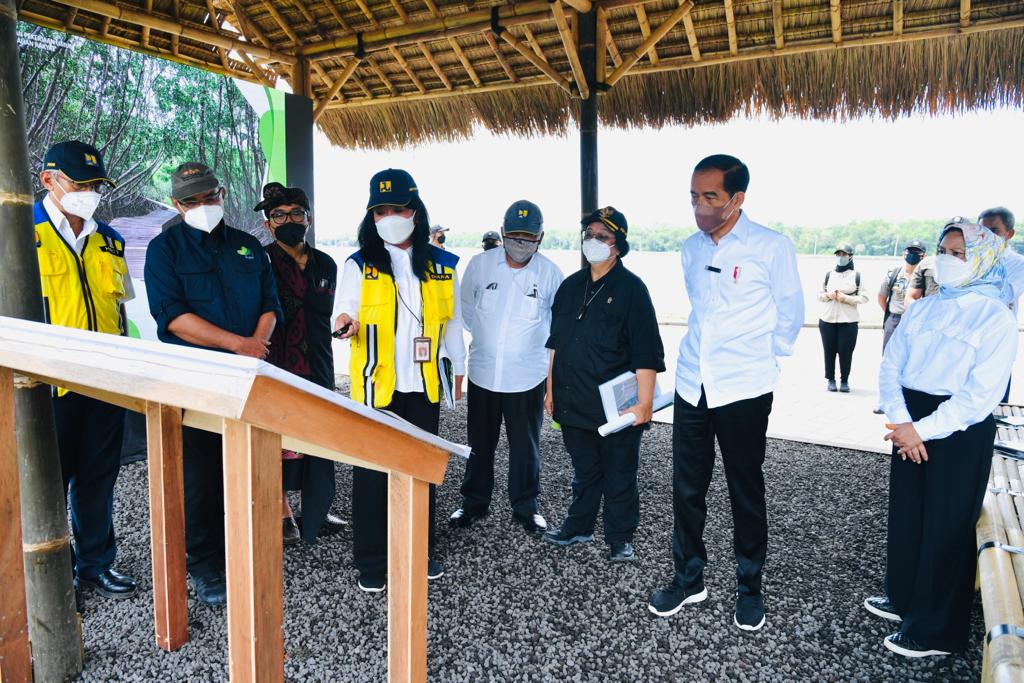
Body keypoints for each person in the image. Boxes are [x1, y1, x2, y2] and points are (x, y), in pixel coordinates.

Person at [649, 154, 804, 632]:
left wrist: (760, 359)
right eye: (694, 196)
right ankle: (688, 578)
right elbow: (702, 309)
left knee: (745, 488)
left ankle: (749, 585)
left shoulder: (771, 246)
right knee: (687, 488)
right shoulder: (689, 249)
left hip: (745, 387)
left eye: (710, 197)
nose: (699, 206)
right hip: (694, 383)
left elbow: (790, 314)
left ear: (737, 199)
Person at [866, 220, 1016, 658]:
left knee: (946, 526)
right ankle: (903, 597)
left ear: (985, 257)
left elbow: (979, 395)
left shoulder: (996, 317)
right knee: (908, 514)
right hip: (909, 418)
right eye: (945, 251)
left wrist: (918, 430)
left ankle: (934, 631)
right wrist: (900, 419)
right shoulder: (925, 306)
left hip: (958, 430)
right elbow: (891, 364)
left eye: (959, 252)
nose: (948, 260)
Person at [144, 162, 283, 605]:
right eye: (192, 201)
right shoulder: (164, 250)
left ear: (221, 193)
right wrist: (236, 344)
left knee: (248, 467)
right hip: (197, 380)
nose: (203, 206)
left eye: (209, 197)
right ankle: (205, 566)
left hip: (249, 375)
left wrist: (257, 344)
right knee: (202, 476)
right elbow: (172, 317)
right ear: (176, 204)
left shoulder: (247, 247)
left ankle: (243, 550)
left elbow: (270, 303)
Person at [333, 169, 466, 592]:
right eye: (381, 211)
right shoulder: (358, 264)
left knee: (421, 470)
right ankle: (372, 561)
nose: (390, 217)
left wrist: (459, 373)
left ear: (415, 210)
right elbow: (342, 313)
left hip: (424, 386)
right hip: (376, 387)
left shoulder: (444, 265)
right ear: (372, 216)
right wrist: (344, 325)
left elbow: (454, 325)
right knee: (373, 474)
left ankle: (420, 549)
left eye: (398, 209)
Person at [34, 140, 137, 599]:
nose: (90, 192)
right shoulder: (18, 234)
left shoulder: (109, 240)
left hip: (105, 385)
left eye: (96, 184)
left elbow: (121, 315)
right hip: (44, 389)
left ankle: (95, 564)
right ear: (48, 181)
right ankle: (53, 576)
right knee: (45, 485)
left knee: (98, 480)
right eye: (81, 183)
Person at [542, 206, 665, 564]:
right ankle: (578, 525)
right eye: (589, 235)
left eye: (602, 236)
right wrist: (550, 391)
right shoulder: (570, 286)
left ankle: (620, 537)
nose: (593, 242)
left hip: (617, 408)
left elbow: (646, 353)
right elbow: (555, 345)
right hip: (572, 400)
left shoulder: (633, 290)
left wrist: (644, 405)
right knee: (584, 471)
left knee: (620, 474)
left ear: (618, 246)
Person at [449, 200, 563, 534]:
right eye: (514, 235)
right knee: (478, 444)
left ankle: (526, 508)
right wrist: (492, 339)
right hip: (483, 373)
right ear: (502, 232)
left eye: (528, 237)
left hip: (527, 377)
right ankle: (473, 504)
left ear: (541, 236)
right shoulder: (480, 266)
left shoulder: (551, 274)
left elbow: (557, 330)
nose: (520, 242)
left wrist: (552, 386)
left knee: (526, 447)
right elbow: (466, 311)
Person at [254, 182, 345, 546]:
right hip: (276, 366)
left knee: (320, 438)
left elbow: (338, 310)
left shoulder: (326, 263)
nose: (288, 220)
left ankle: (318, 510)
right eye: (278, 215)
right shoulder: (259, 261)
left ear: (308, 219)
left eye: (295, 214)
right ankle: (281, 509)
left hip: (319, 364)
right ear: (267, 224)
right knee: (277, 440)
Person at [873, 240, 926, 414]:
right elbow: (882, 297)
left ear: (923, 256)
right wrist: (892, 316)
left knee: (912, 362)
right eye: (910, 251)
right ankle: (884, 401)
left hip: (915, 323)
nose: (912, 255)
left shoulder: (925, 275)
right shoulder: (894, 274)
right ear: (904, 253)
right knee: (888, 361)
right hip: (894, 319)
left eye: (917, 252)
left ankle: (905, 401)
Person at [978, 207, 1021, 403]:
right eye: (982, 232)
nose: (987, 237)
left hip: (996, 341)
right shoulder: (970, 259)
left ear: (1009, 234)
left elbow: (1003, 295)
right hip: (968, 341)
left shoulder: (1018, 264)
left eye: (994, 231)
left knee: (993, 405)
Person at [817, 243, 867, 393]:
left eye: (844, 255)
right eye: (838, 254)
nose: (841, 257)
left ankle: (844, 380)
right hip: (828, 319)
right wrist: (828, 295)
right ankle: (830, 379)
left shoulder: (857, 275)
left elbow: (864, 297)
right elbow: (819, 295)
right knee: (829, 350)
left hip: (848, 320)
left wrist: (846, 298)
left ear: (850, 256)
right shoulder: (828, 275)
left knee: (846, 351)